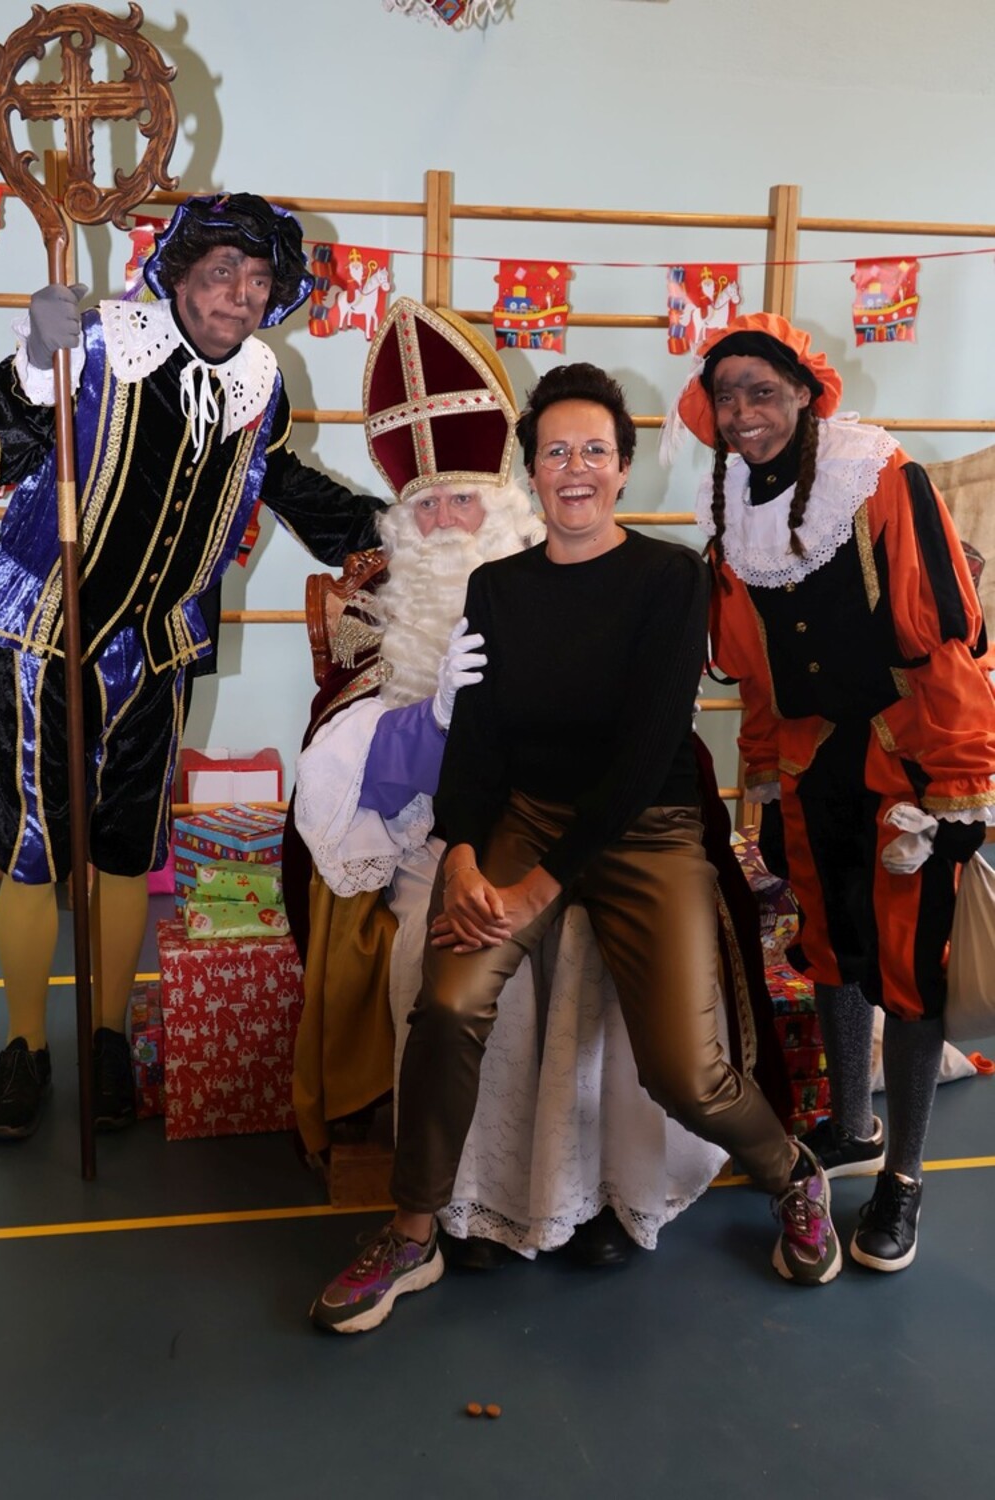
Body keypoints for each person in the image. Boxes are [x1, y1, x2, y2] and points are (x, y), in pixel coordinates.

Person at [311, 358, 842, 1335]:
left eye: (595, 450)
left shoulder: (671, 579)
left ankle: (790, 1172)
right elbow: (477, 742)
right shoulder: (498, 589)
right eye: (556, 453)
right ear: (531, 472)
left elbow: (644, 755)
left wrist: (536, 890)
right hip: (525, 818)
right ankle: (413, 1231)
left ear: (623, 467)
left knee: (683, 1070)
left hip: (650, 830)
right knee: (447, 1003)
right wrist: (463, 854)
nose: (576, 469)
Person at [288, 298, 739, 1271]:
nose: (446, 522)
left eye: (463, 501)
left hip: (596, 828)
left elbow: (647, 749)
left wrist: (535, 872)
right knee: (440, 964)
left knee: (589, 969)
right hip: (435, 835)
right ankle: (466, 1208)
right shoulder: (379, 607)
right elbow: (347, 769)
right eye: (426, 507)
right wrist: (431, 731)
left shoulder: (629, 578)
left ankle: (596, 1195)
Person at [0, 192, 384, 1141]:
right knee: (33, 843)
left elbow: (282, 481)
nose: (238, 295)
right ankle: (23, 1047)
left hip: (158, 645)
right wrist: (31, 362)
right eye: (220, 273)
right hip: (47, 629)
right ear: (177, 275)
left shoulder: (260, 383)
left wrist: (385, 532)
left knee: (128, 845)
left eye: (257, 281)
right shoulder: (97, 342)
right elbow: (4, 442)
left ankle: (106, 1036)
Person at [666, 311, 995, 1272]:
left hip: (909, 760)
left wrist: (962, 785)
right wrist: (766, 780)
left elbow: (945, 643)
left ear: (807, 394)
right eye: (727, 395)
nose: (743, 412)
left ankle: (905, 1176)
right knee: (831, 947)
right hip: (814, 766)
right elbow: (756, 675)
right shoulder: (730, 507)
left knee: (911, 964)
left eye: (763, 392)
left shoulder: (879, 477)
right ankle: (853, 1126)